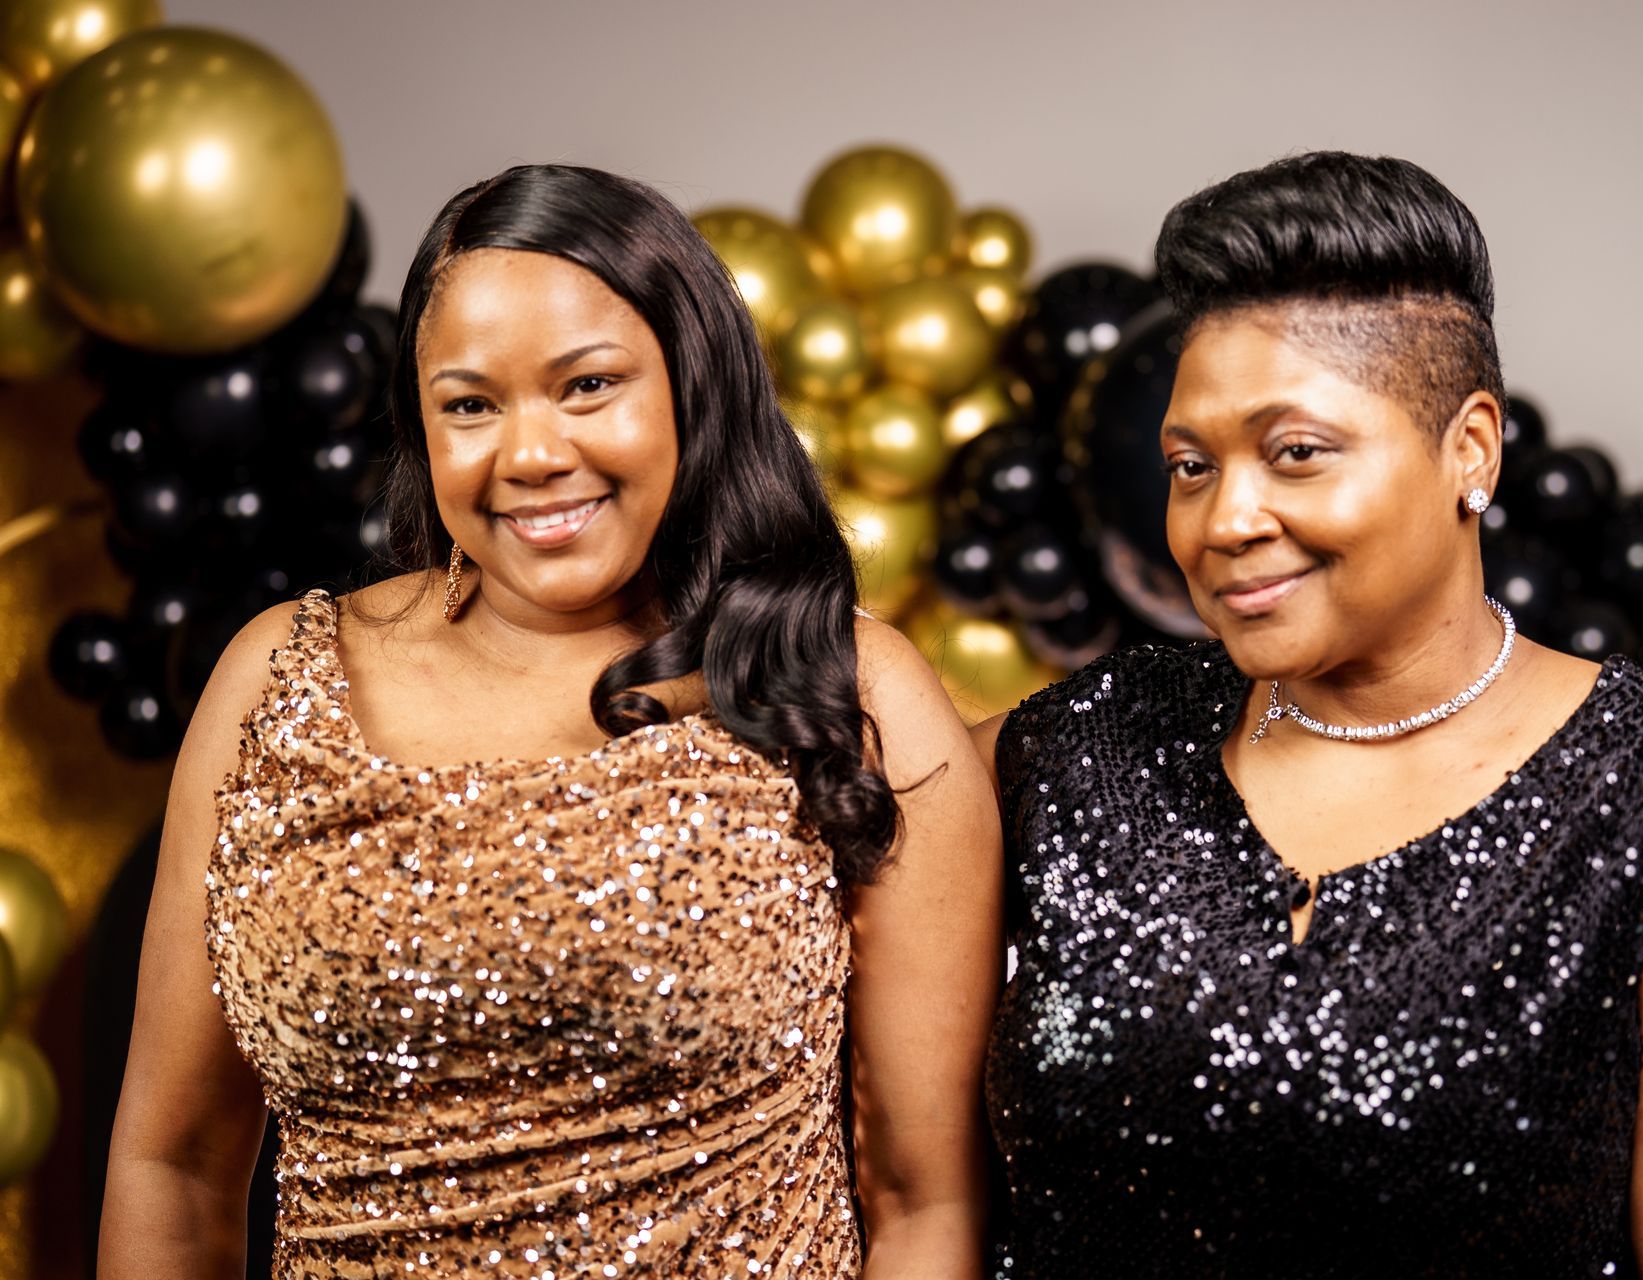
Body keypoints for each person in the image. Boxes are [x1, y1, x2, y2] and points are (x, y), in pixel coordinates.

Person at [99, 164, 1000, 1279]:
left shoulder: (845, 688)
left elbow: (922, 1200)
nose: (530, 454)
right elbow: (172, 1165)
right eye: (470, 403)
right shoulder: (275, 675)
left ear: (692, 384)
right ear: (419, 426)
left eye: (587, 386)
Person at [973, 152, 1643, 1277]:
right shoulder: (1087, 741)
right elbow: (824, 776)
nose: (1224, 518)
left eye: (1295, 453)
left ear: (1471, 451)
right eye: (1190, 465)